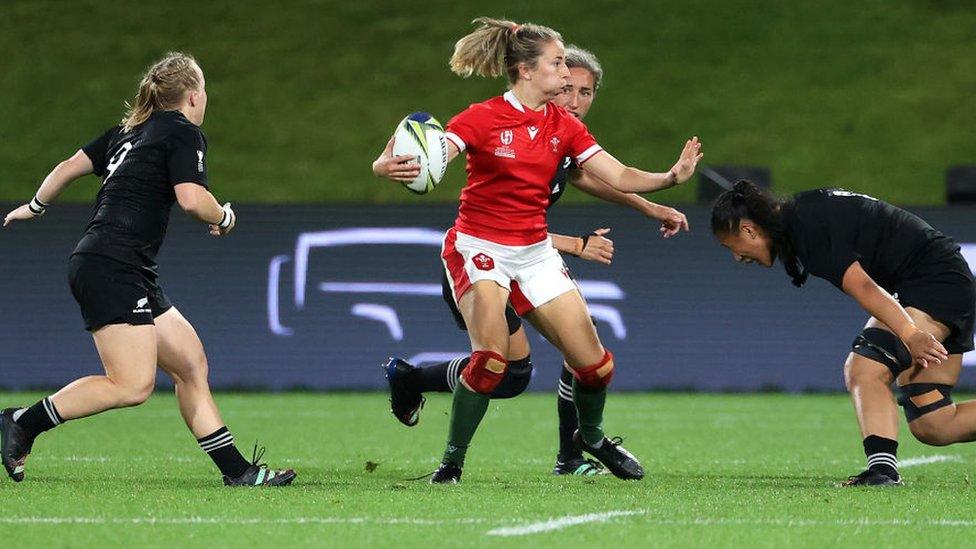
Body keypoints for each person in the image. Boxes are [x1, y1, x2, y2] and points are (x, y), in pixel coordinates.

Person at [373, 17, 703, 483]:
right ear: (526, 70)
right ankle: (451, 464)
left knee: (596, 366)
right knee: (491, 363)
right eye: (558, 63)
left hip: (534, 253)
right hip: (479, 249)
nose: (567, 74)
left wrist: (669, 178)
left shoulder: (563, 126)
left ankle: (589, 440)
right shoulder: (481, 117)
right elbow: (435, 156)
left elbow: (619, 174)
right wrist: (387, 165)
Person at [0, 52, 295, 487]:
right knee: (132, 386)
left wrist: (36, 206)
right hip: (112, 265)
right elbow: (194, 199)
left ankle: (239, 473)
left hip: (122, 265)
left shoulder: (129, 131)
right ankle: (22, 421)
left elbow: (67, 167)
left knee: (190, 364)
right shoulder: (183, 132)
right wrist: (225, 217)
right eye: (205, 89)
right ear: (194, 96)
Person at [712, 181, 975, 486]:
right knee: (935, 423)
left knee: (865, 367)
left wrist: (910, 332)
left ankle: (882, 472)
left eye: (730, 246)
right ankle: (883, 470)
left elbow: (863, 286)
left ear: (748, 229)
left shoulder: (807, 226)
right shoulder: (804, 214)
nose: (737, 257)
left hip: (935, 283)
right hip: (942, 278)